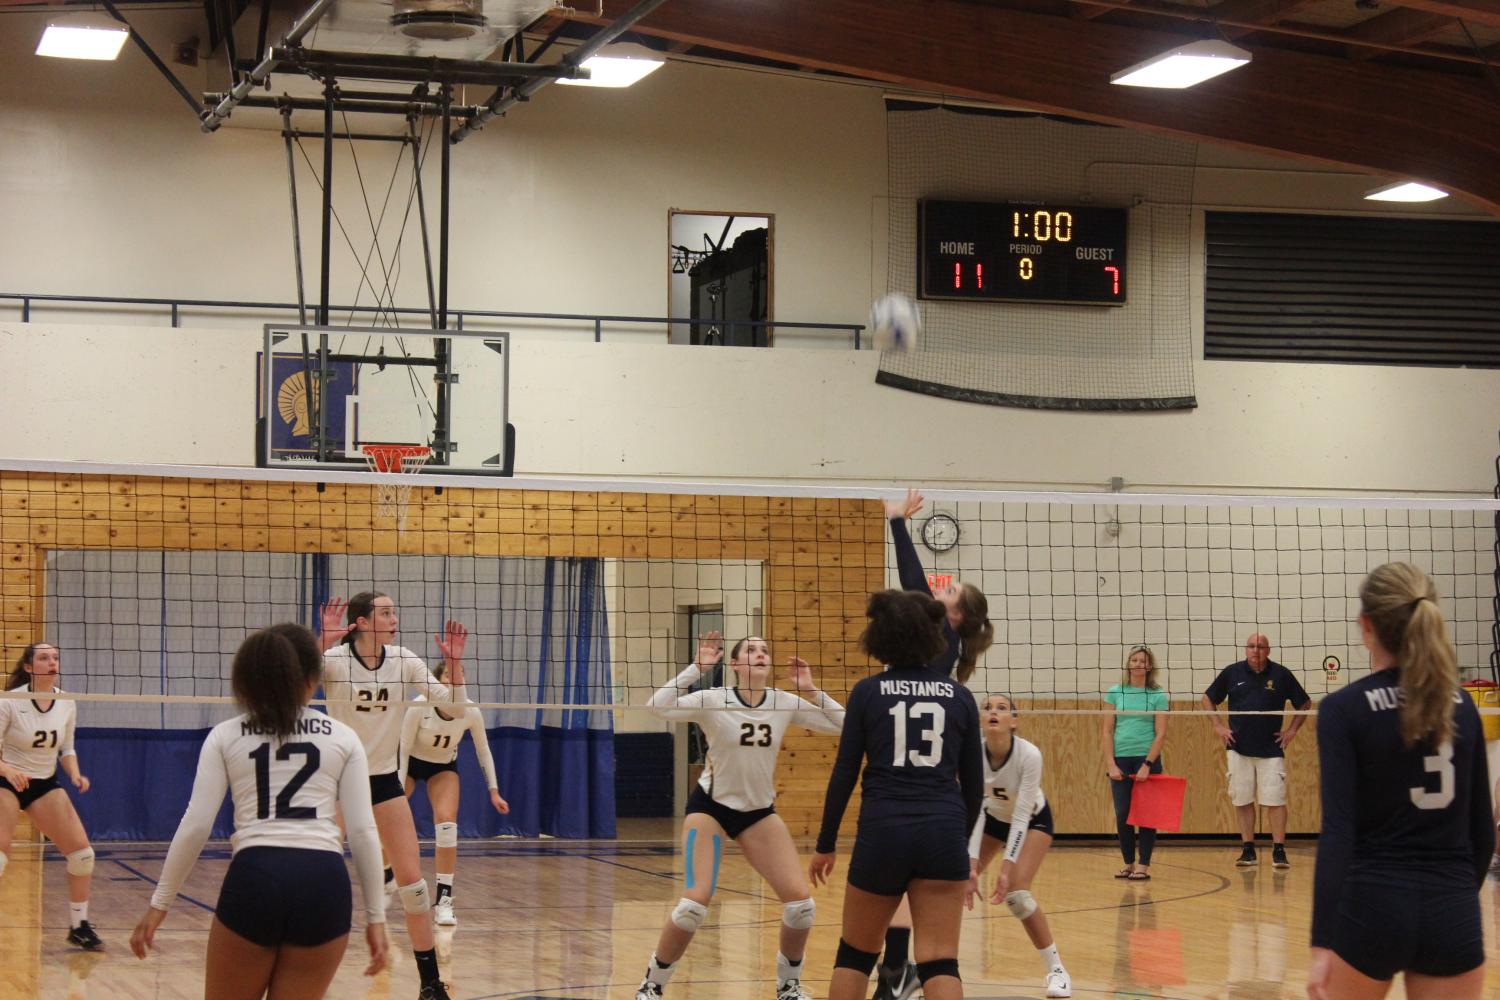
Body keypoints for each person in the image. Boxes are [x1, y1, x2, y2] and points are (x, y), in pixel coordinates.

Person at [129, 624, 388, 998]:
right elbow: (363, 832)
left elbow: (196, 826)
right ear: (312, 679)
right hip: (324, 885)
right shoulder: (344, 737)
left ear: (247, 679)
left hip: (257, 878)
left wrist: (159, 905)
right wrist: (376, 918)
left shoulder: (225, 735)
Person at [1308, 562, 1491, 1000]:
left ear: (1366, 625)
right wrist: (1454, 901)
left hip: (1373, 905)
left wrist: (1321, 942)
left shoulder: (1343, 709)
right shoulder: (1462, 705)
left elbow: (1338, 834)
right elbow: (1483, 832)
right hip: (1452, 906)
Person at [634, 631, 845, 1000]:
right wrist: (695, 670)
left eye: (765, 649)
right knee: (692, 906)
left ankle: (788, 987)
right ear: (735, 665)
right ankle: (652, 984)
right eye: (751, 650)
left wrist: (812, 691)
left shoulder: (784, 701)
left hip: (758, 813)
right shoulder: (713, 700)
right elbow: (657, 706)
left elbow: (845, 724)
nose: (760, 654)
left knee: (800, 907)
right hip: (710, 808)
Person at [811, 589, 984, 1000]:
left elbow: (844, 774)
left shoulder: (868, 693)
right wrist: (959, 842)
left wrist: (825, 843)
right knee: (941, 961)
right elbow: (975, 786)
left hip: (884, 830)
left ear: (881, 637)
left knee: (854, 955)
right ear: (932, 636)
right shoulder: (959, 696)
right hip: (943, 830)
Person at [320, 592, 469, 1000]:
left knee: (413, 885)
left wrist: (454, 664)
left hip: (384, 782)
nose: (394, 618)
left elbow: (454, 709)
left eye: (393, 611)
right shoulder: (335, 660)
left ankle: (430, 985)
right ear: (363, 622)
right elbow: (296, 684)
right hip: (339, 781)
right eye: (386, 612)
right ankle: (303, 975)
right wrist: (324, 640)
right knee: (315, 876)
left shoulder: (404, 659)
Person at [877, 488, 995, 1000]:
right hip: (916, 764)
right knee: (908, 881)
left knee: (908, 880)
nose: (939, 590)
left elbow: (911, 582)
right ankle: (898, 970)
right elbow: (915, 586)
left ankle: (900, 971)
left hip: (918, 777)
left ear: (957, 615)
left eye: (951, 591)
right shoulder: (941, 641)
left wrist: (898, 524)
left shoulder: (940, 639)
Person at [967, 694, 1071, 998]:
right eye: (987, 708)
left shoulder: (1029, 754)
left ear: (1014, 721)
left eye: (1002, 708)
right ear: (982, 720)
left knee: (1017, 896)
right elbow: (973, 809)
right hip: (990, 818)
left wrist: (1006, 867)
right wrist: (971, 865)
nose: (993, 712)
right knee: (954, 885)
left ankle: (1057, 971)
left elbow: (1023, 813)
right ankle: (931, 968)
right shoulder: (971, 753)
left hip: (1033, 820)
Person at [0, 643, 102, 950]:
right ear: (29, 667)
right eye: (44, 658)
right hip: (6, 780)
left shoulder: (66, 701)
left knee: (83, 856)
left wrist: (74, 773)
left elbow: (66, 748)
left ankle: (78, 926)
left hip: (44, 782)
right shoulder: (9, 701)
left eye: (55, 657)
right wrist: (7, 770)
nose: (52, 662)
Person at [397, 674, 510, 926]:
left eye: (457, 679)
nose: (453, 684)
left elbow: (483, 751)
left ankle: (444, 900)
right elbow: (403, 750)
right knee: (391, 816)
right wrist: (396, 789)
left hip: (443, 767)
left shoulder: (470, 711)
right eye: (447, 679)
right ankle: (386, 876)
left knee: (447, 822)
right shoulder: (419, 705)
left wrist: (494, 790)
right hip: (411, 764)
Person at [1201, 632, 1311, 870]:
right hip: (1238, 749)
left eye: (1260, 646)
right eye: (1251, 646)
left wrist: (1291, 731)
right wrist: (1218, 726)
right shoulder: (1233, 672)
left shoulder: (1281, 674)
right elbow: (1208, 698)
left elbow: (1304, 703)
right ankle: (1248, 849)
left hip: (1271, 750)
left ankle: (1279, 850)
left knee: (1276, 800)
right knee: (1242, 799)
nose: (1255, 650)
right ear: (1245, 649)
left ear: (1268, 650)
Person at [1100, 646, 1168, 880]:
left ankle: (1143, 865)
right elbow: (1107, 731)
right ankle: (1128, 862)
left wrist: (1148, 764)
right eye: (1134, 660)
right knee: (1122, 814)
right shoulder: (1115, 692)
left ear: (1150, 667)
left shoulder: (1158, 695)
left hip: (1146, 759)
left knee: (1147, 815)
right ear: (1128, 664)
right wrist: (1110, 763)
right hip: (1121, 758)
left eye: (1143, 661)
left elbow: (1160, 733)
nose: (1139, 664)